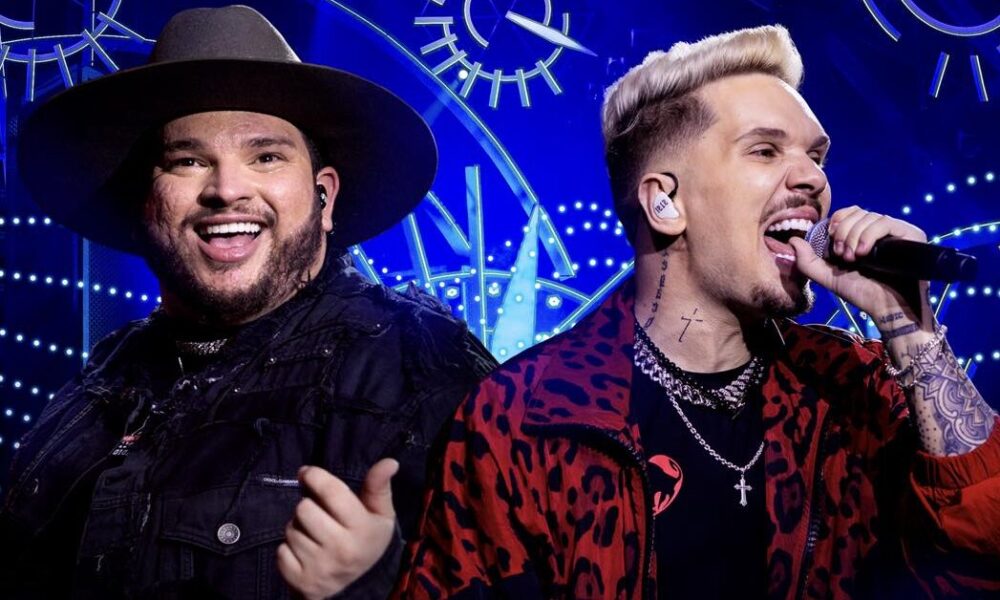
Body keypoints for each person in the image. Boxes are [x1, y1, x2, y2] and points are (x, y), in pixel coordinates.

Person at [394, 25, 1000, 598]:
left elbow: (984, 555)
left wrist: (910, 330)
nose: (813, 180)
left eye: (817, 157)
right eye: (765, 151)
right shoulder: (524, 415)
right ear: (665, 203)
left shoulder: (853, 387)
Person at [0, 6, 496, 598]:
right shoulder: (100, 383)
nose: (227, 190)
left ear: (324, 196)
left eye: (265, 156)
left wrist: (375, 584)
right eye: (188, 161)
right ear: (146, 203)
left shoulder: (421, 364)